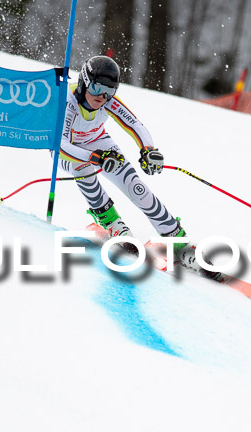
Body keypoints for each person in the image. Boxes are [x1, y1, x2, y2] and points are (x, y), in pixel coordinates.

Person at [54, 55, 203, 272]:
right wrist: (95, 158)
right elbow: (61, 144)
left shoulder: (107, 101)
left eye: (109, 91)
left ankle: (178, 240)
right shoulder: (68, 101)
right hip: (68, 151)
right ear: (85, 81)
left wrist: (148, 150)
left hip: (98, 141)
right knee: (84, 168)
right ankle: (113, 223)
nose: (102, 96)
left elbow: (135, 125)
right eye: (96, 88)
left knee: (137, 187)